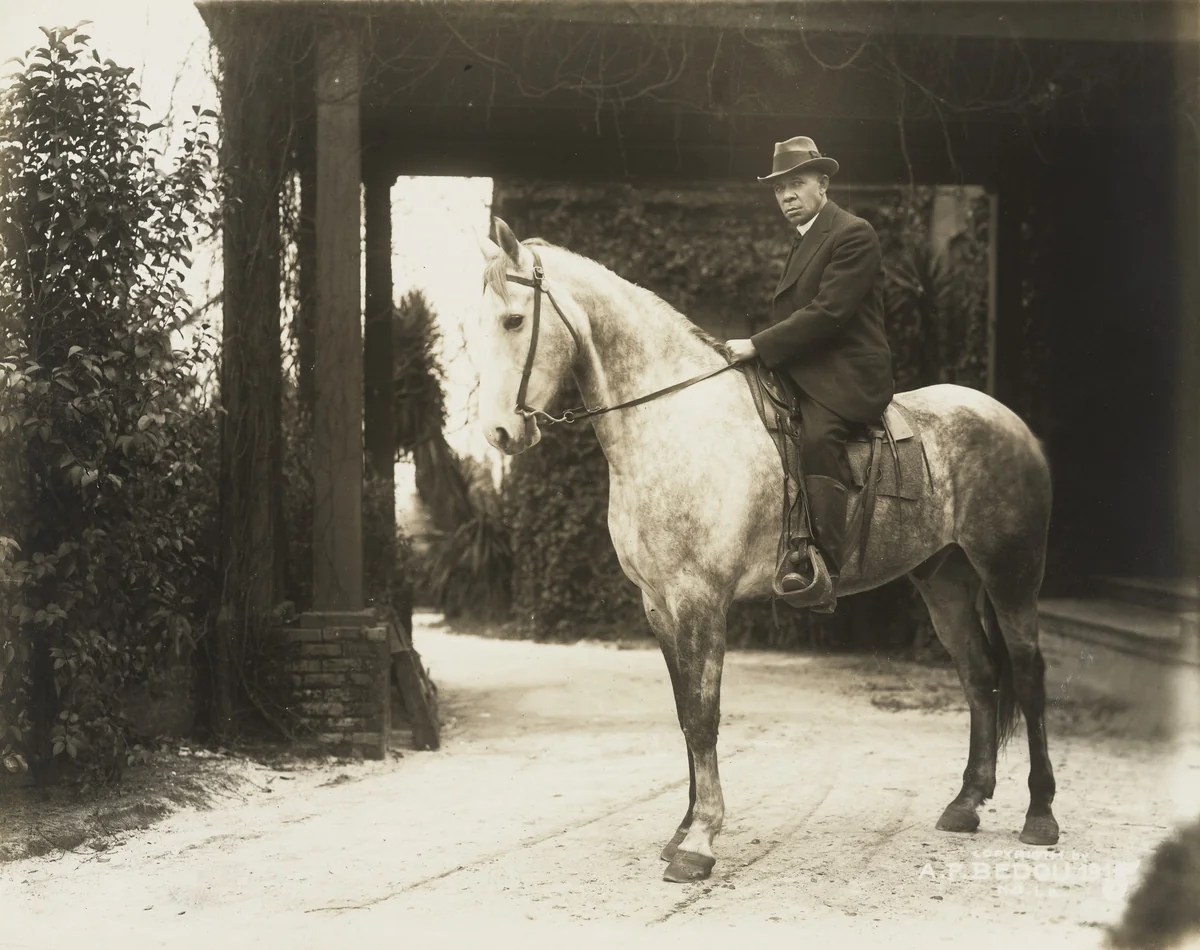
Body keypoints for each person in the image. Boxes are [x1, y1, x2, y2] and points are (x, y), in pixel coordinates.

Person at [726, 135, 894, 611]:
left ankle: (826, 568)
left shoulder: (852, 233)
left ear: (823, 184)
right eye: (779, 190)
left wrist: (758, 344)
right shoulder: (805, 239)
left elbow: (829, 314)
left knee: (819, 436)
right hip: (806, 367)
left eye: (795, 185)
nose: (786, 197)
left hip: (846, 374)